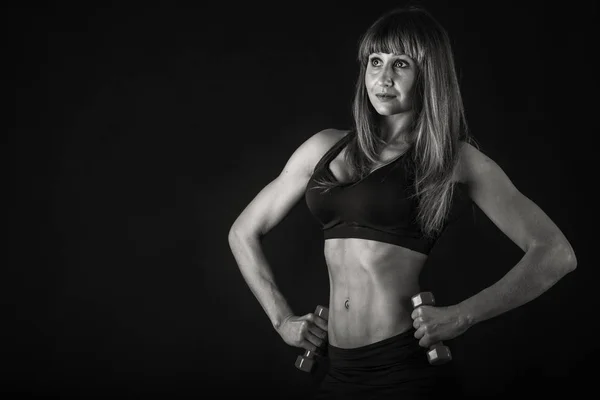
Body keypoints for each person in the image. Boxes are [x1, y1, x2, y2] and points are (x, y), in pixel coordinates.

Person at [227, 5, 577, 399]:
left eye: (401, 64)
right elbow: (242, 232)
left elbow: (555, 253)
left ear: (428, 75)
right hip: (336, 366)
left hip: (403, 368)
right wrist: (281, 320)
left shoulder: (452, 160)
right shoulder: (322, 147)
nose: (383, 77)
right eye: (375, 61)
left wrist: (463, 315)